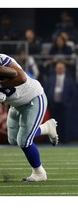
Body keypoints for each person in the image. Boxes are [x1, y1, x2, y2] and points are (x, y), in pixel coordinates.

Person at [0, 53, 59, 182]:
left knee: (24, 141)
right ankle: (46, 128)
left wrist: (2, 87)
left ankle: (39, 173)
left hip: (33, 98)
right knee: (13, 140)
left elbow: (21, 78)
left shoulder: (3, 60)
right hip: (16, 104)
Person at [44, 60, 76, 143]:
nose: (60, 69)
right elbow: (46, 90)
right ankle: (53, 140)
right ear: (55, 69)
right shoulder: (51, 79)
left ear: (64, 69)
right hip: (53, 104)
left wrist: (69, 104)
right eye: (58, 68)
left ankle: (64, 140)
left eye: (61, 68)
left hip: (64, 104)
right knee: (53, 124)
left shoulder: (69, 80)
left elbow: (73, 93)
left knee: (64, 123)